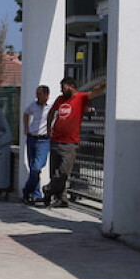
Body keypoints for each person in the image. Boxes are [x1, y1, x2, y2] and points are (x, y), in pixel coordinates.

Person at [44, 76, 106, 208]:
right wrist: (49, 129)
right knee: (54, 172)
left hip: (70, 142)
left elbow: (95, 91)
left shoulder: (81, 98)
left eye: (63, 87)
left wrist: (106, 84)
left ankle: (48, 190)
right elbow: (51, 113)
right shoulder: (60, 100)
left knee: (63, 173)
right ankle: (62, 199)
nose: (61, 90)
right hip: (55, 140)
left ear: (72, 86)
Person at [21, 85, 53, 205]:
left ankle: (26, 191)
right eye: (36, 94)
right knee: (33, 168)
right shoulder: (33, 106)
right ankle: (36, 194)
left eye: (39, 94)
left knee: (37, 167)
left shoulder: (51, 107)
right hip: (32, 138)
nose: (37, 96)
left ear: (46, 95)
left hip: (44, 140)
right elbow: (26, 113)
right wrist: (26, 128)